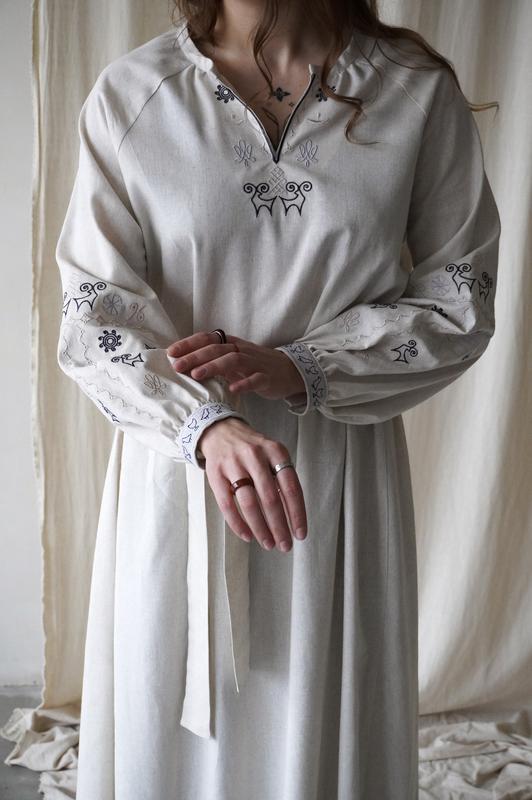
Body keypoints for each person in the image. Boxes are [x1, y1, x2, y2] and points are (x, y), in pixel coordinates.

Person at [55, 1, 501, 798]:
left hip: (335, 481)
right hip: (183, 476)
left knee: (329, 734)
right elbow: (94, 317)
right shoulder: (134, 94)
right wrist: (205, 425)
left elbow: (460, 300)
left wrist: (305, 366)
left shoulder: (412, 92)